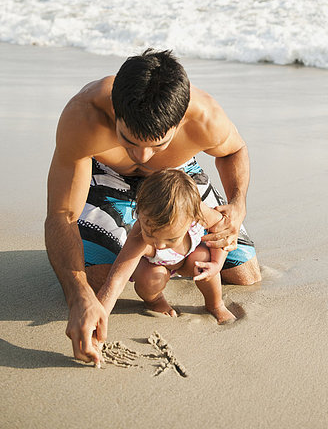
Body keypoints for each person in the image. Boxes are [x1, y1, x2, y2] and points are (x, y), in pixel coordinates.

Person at [45, 48, 260, 365]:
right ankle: (153, 257)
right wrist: (78, 297)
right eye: (128, 141)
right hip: (108, 175)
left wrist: (237, 204)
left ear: (180, 122)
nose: (142, 158)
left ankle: (162, 255)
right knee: (94, 283)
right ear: (116, 114)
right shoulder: (84, 116)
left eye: (157, 146)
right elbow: (62, 215)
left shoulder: (204, 118)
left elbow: (233, 150)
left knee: (245, 276)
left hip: (176, 178)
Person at [97, 169, 236, 325]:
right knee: (149, 278)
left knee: (205, 261)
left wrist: (217, 263)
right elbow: (116, 280)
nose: (160, 245)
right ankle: (155, 300)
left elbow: (221, 230)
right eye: (150, 235)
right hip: (154, 266)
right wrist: (98, 317)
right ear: (139, 212)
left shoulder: (199, 213)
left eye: (171, 238)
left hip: (188, 259)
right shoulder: (138, 236)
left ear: (193, 217)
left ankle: (215, 304)